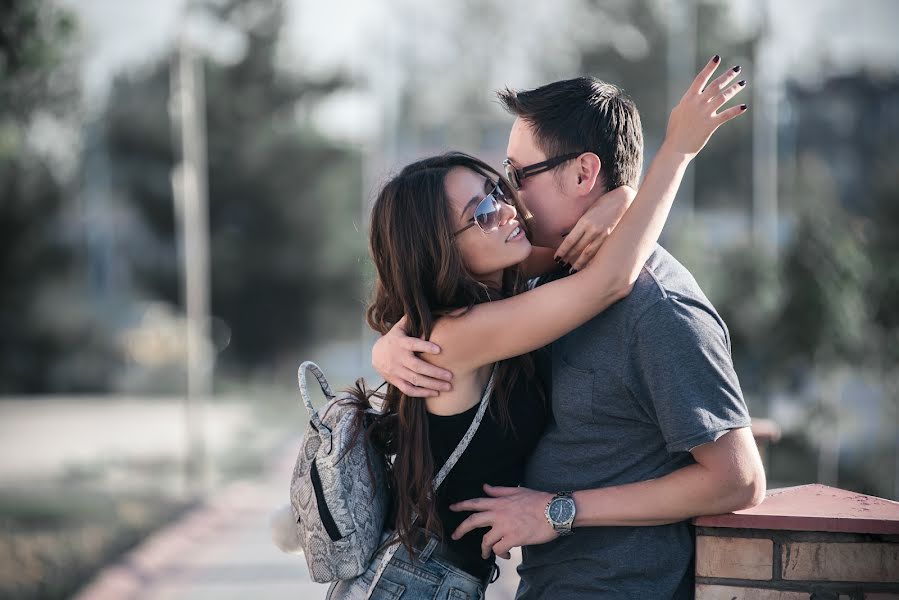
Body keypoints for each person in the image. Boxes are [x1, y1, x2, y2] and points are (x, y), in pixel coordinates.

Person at [340, 56, 751, 600]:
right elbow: (605, 281)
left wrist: (622, 197)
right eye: (488, 206)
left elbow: (738, 477)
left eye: (509, 182)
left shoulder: (637, 301)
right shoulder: (463, 330)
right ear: (444, 251)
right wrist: (665, 160)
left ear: (583, 173)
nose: (510, 206)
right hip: (420, 582)